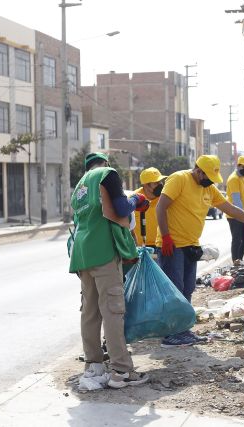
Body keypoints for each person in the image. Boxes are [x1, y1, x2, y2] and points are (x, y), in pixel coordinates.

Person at [156, 155, 244, 347]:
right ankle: (170, 335)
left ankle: (182, 330)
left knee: (187, 289)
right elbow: (160, 207)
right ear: (198, 171)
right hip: (172, 245)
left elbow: (230, 209)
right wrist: (166, 236)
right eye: (208, 177)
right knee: (175, 290)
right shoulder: (179, 179)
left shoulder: (209, 188)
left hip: (191, 244)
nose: (211, 182)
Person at [68, 152, 150, 389]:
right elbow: (122, 208)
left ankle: (94, 366)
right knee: (113, 311)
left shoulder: (80, 187)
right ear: (104, 164)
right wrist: (137, 200)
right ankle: (121, 371)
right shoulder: (107, 174)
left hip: (82, 255)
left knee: (90, 312)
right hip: (104, 252)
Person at [226, 155, 244, 263]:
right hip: (234, 214)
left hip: (243, 213)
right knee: (237, 238)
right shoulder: (233, 179)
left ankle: (239, 259)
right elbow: (236, 200)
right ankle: (235, 261)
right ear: (238, 166)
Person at [133, 167, 167, 247]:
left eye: (160, 182)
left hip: (161, 245)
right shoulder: (134, 199)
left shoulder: (164, 198)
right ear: (146, 185)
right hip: (141, 248)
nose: (160, 185)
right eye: (156, 183)